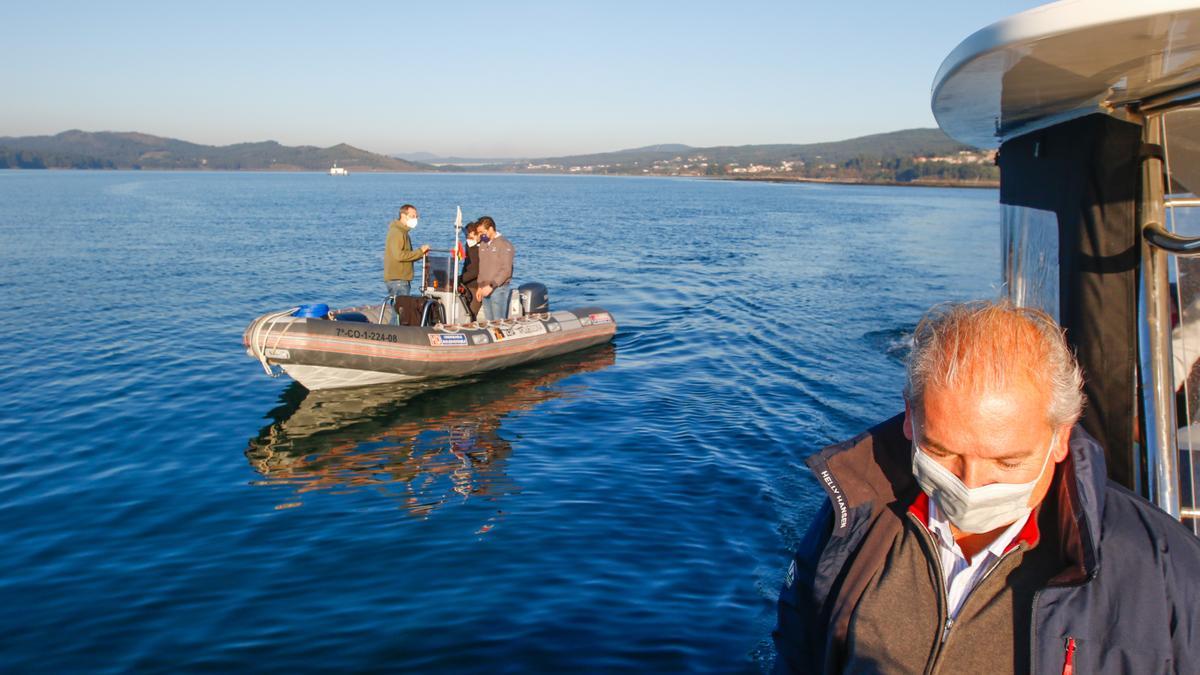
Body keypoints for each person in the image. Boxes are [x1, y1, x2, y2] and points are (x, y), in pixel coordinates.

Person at [772, 300, 1200, 674]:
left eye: (1007, 461)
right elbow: (799, 645)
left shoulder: (1166, 569)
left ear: (1061, 437)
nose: (970, 485)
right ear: (909, 417)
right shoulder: (857, 509)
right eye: (941, 452)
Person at [384, 204, 430, 298]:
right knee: (401, 310)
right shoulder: (397, 232)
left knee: (399, 309)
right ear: (403, 216)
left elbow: (406, 255)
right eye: (413, 216)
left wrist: (421, 254)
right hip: (398, 280)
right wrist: (420, 251)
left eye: (416, 216)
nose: (416, 219)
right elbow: (399, 255)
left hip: (399, 279)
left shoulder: (402, 232)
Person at [474, 216, 515, 320]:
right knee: (489, 321)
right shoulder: (483, 245)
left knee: (498, 321)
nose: (480, 235)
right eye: (479, 233)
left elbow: (506, 270)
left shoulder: (504, 244)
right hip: (484, 288)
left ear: (491, 229)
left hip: (498, 289)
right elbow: (482, 267)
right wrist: (480, 286)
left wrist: (491, 286)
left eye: (482, 232)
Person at [458, 220, 483, 320]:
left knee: (471, 313)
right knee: (464, 312)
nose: (468, 239)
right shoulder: (469, 246)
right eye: (467, 237)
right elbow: (466, 264)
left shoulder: (481, 248)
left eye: (471, 237)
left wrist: (460, 278)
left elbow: (476, 270)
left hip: (476, 285)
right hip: (466, 284)